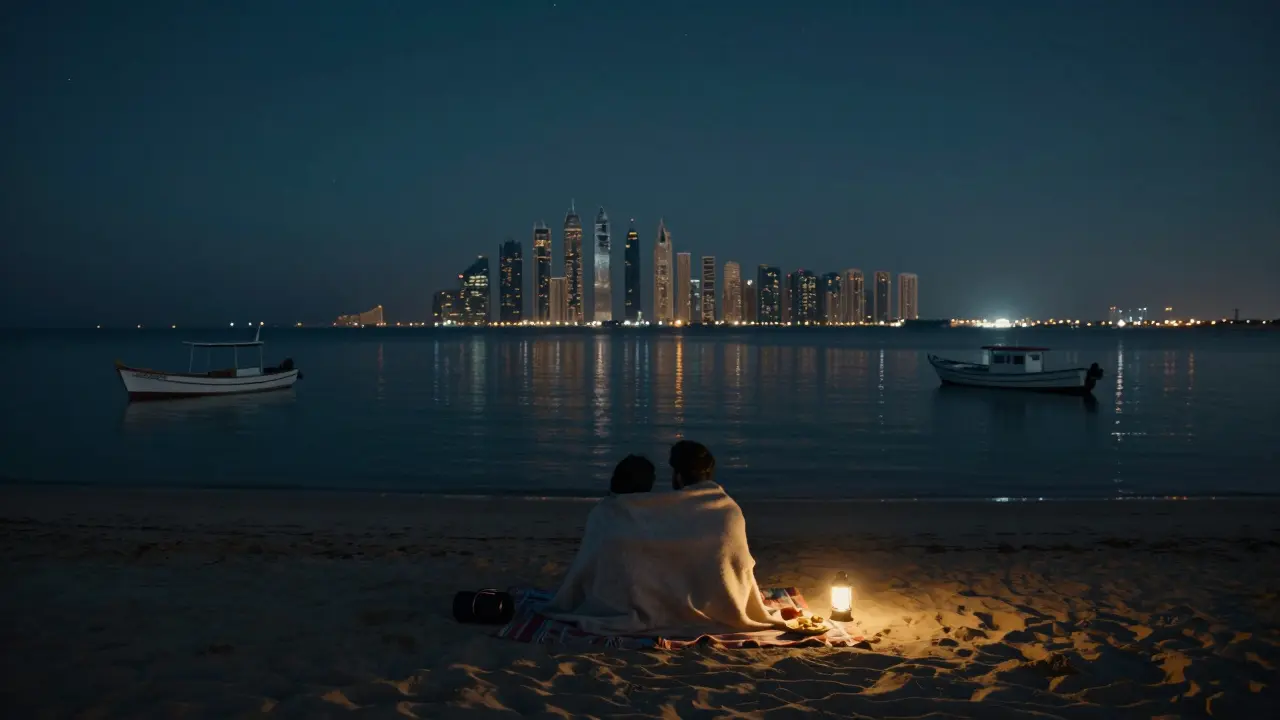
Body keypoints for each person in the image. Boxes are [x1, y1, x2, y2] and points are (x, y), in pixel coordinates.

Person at [543, 442, 783, 637]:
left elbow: (584, 571)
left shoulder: (613, 514)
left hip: (620, 601)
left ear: (677, 475)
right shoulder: (730, 510)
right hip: (717, 603)